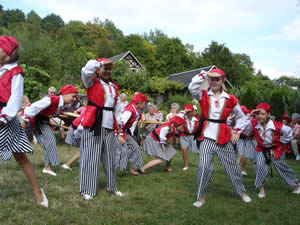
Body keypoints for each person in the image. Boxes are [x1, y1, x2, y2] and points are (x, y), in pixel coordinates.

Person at [188, 68, 251, 208]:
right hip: (206, 136)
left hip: (224, 137)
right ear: (208, 80)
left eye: (217, 79)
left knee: (232, 167)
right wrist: (205, 74)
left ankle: (241, 191)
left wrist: (237, 131)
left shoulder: (231, 99)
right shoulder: (202, 94)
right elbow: (192, 86)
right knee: (204, 167)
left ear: (223, 81)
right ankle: (201, 197)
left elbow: (242, 117)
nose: (214, 81)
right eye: (211, 79)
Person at [0, 35, 48, 207]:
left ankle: (37, 190)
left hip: (6, 117)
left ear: (9, 52)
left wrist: (4, 117)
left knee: (20, 156)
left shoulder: (16, 72)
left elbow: (15, 97)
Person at [79, 58, 123, 200]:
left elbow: (117, 109)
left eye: (110, 69)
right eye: (105, 68)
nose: (108, 71)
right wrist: (99, 63)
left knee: (110, 158)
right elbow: (85, 71)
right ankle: (87, 189)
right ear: (99, 69)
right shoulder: (91, 82)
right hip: (93, 123)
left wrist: (120, 126)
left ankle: (112, 187)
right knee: (90, 157)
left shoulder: (114, 87)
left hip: (109, 125)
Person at [245, 103, 300, 198]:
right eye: (257, 114)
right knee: (260, 166)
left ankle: (296, 185)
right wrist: (249, 116)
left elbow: (289, 132)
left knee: (282, 167)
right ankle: (261, 188)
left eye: (262, 114)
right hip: (261, 149)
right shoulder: (253, 123)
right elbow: (242, 127)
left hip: (276, 149)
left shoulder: (277, 125)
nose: (259, 116)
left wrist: (282, 142)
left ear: (268, 115)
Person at [23, 85, 78, 176]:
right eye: (73, 96)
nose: (75, 99)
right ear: (65, 94)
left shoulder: (62, 104)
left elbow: (53, 113)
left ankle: (47, 168)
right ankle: (47, 167)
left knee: (49, 143)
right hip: (33, 120)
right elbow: (33, 107)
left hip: (41, 122)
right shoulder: (51, 99)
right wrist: (25, 120)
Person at [116, 93, 149, 175]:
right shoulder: (129, 111)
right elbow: (119, 123)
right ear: (139, 103)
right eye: (145, 103)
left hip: (126, 132)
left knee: (136, 148)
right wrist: (119, 135)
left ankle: (132, 169)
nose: (146, 105)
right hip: (120, 132)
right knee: (120, 152)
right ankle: (112, 169)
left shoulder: (136, 110)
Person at [62, 97, 88, 170]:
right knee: (85, 149)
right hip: (75, 129)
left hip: (76, 129)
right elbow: (80, 128)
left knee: (85, 149)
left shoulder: (87, 110)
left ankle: (71, 164)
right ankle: (67, 164)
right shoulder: (85, 110)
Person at [236, 105, 256, 175]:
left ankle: (261, 172)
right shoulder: (237, 119)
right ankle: (237, 170)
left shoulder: (252, 120)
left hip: (251, 139)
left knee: (253, 158)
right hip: (241, 139)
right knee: (241, 155)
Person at [178, 104, 199, 171]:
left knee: (200, 151)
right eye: (186, 112)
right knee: (183, 148)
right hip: (184, 135)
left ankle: (202, 163)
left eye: (189, 112)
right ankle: (186, 165)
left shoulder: (197, 118)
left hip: (194, 136)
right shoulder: (182, 117)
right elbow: (178, 128)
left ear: (193, 111)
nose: (187, 113)